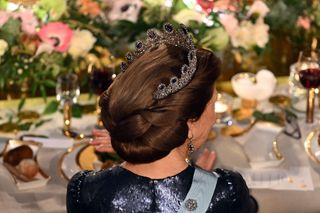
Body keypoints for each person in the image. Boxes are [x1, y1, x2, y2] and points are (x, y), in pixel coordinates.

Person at [67, 23, 258, 213]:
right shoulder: (225, 193)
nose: (215, 117)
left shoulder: (85, 191)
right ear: (190, 122)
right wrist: (200, 187)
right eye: (213, 105)